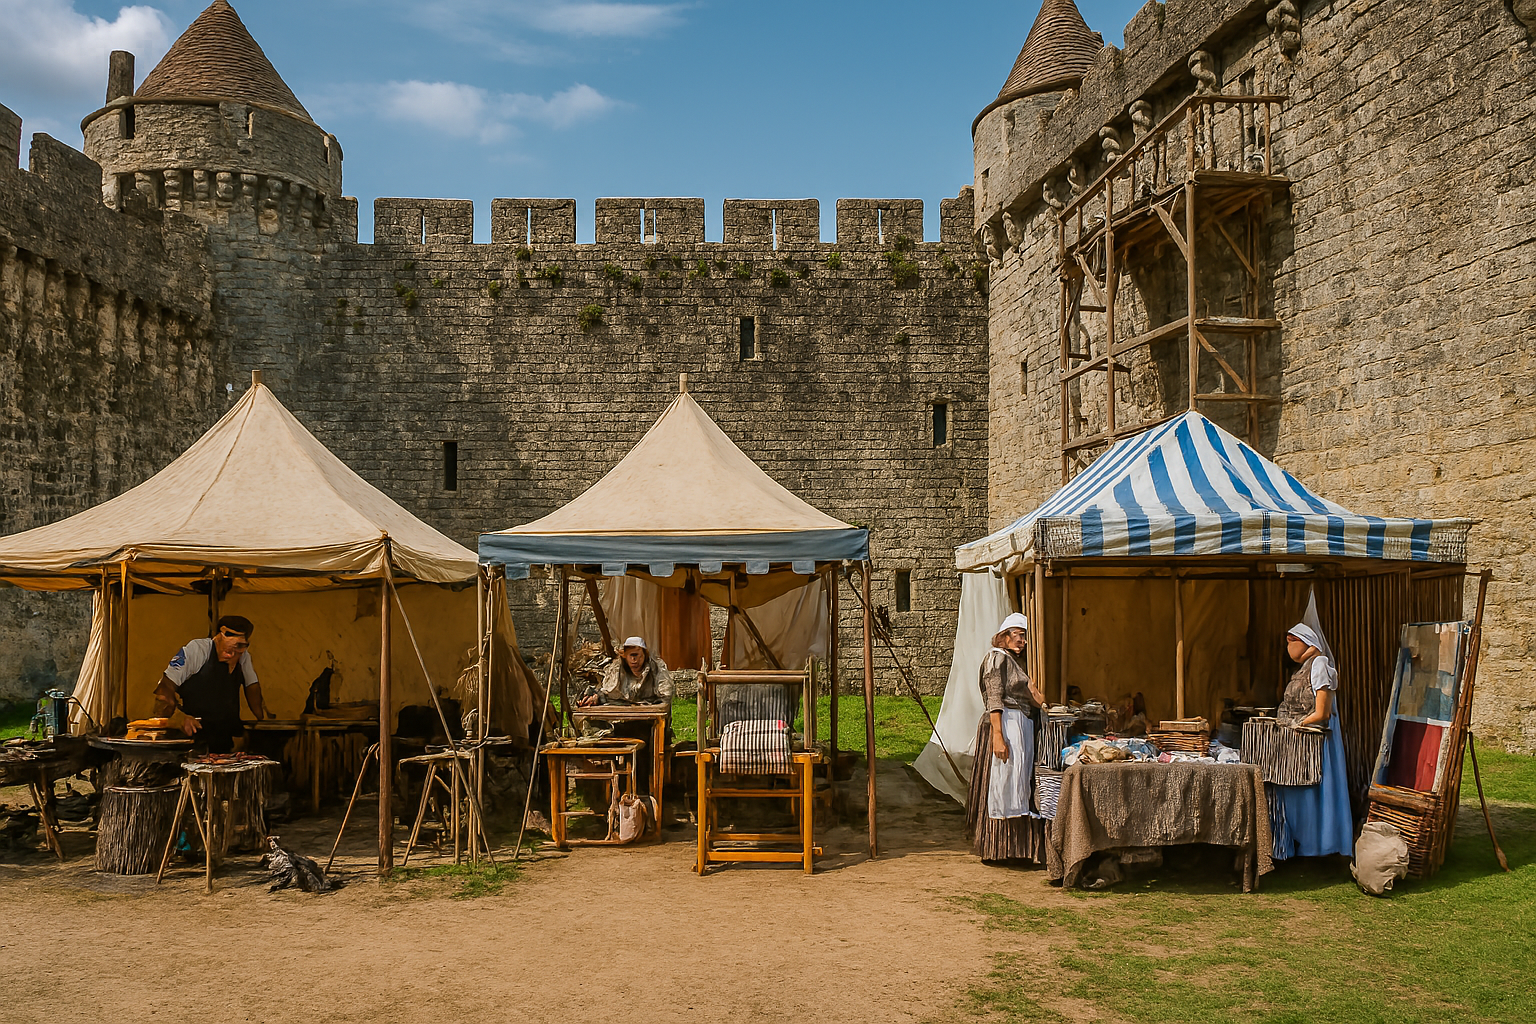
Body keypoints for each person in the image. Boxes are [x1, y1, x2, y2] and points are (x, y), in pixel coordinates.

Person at [966, 612, 1048, 864]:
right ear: (1004, 636)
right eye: (1018, 636)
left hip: (1019, 725)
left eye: (1024, 637)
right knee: (1002, 785)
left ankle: (1017, 850)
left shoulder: (1015, 662)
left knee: (1017, 786)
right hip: (1004, 724)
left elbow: (1036, 696)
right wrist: (998, 737)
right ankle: (998, 850)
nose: (1022, 641)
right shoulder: (995, 659)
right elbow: (994, 697)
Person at [1269, 619, 1353, 859]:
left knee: (1316, 789)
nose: (1288, 647)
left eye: (1291, 642)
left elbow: (1322, 712)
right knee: (1294, 788)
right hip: (1296, 738)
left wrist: (1299, 724)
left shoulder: (1320, 665)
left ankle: (1320, 843)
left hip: (1316, 739)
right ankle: (1297, 842)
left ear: (1304, 643)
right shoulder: (1301, 670)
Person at [152, 615, 268, 754]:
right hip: (195, 739)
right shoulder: (196, 650)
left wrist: (262, 721)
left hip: (225, 739)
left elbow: (252, 687)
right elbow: (164, 690)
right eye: (228, 650)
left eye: (237, 650)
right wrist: (179, 718)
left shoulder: (244, 657)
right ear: (219, 636)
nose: (232, 656)